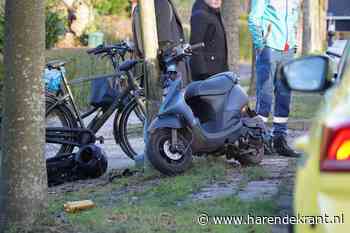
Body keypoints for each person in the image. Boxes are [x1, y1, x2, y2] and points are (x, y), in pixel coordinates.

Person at [248, 0, 302, 157]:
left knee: (284, 96)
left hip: (287, 51)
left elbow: (294, 19)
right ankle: (259, 141)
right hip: (269, 48)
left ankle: (279, 140)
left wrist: (293, 44)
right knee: (265, 95)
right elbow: (254, 18)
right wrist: (261, 44)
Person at [131, 0, 191, 86]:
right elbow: (164, 45)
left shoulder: (139, 7)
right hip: (167, 76)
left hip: (153, 73)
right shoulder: (160, 3)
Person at [189, 0, 228, 81]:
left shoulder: (213, 12)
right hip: (207, 76)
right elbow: (195, 46)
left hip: (217, 72)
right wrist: (203, 75)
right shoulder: (200, 14)